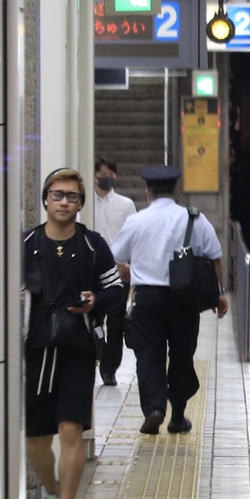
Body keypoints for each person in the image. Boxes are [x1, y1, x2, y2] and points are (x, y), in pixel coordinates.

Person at [23, 168, 125, 499]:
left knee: (71, 428)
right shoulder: (27, 244)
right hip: (36, 351)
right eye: (57, 195)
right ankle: (50, 493)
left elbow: (116, 290)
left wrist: (96, 299)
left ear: (82, 204)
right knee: (36, 438)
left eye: (72, 197)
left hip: (78, 349)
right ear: (46, 198)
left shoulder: (93, 245)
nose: (64, 202)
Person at [110, 164, 228, 435]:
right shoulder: (194, 219)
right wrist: (217, 294)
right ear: (176, 191)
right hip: (184, 299)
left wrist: (129, 270)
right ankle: (177, 416)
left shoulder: (136, 221)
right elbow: (214, 258)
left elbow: (116, 258)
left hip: (147, 299)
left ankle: (154, 409)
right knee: (182, 354)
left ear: (147, 192)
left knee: (148, 355)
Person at [91, 157, 138, 385]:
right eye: (103, 174)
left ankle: (110, 368)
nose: (107, 178)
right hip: (92, 272)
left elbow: (133, 238)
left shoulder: (125, 205)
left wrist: (130, 266)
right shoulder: (86, 203)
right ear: (94, 176)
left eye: (111, 174)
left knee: (116, 322)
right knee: (95, 320)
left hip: (120, 271)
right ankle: (97, 355)